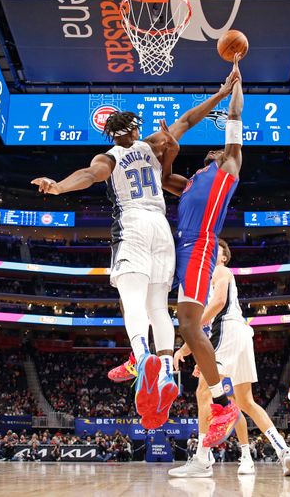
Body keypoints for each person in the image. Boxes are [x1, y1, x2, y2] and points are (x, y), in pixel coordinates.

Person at [32, 68, 238, 429]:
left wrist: (58, 187)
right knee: (159, 306)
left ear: (111, 134)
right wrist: (221, 95)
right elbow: (189, 119)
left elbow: (88, 176)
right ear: (135, 130)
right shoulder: (153, 145)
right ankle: (164, 373)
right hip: (164, 229)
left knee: (133, 302)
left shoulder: (107, 157)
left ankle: (142, 359)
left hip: (134, 227)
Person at [157, 54, 244, 448]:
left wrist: (236, 85)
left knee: (190, 326)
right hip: (180, 249)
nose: (213, 151)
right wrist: (171, 149)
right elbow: (159, 177)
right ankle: (148, 361)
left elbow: (234, 123)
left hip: (201, 246)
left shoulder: (228, 166)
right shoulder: (189, 181)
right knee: (174, 318)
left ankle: (223, 402)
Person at [168, 239, 290, 478]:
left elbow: (217, 306)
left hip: (227, 331)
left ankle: (202, 459)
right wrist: (183, 350)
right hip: (240, 335)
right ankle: (284, 450)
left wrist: (191, 336)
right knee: (246, 401)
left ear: (224, 257)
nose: (208, 252)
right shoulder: (209, 279)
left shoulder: (220, 270)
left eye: (214, 250)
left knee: (203, 391)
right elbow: (202, 331)